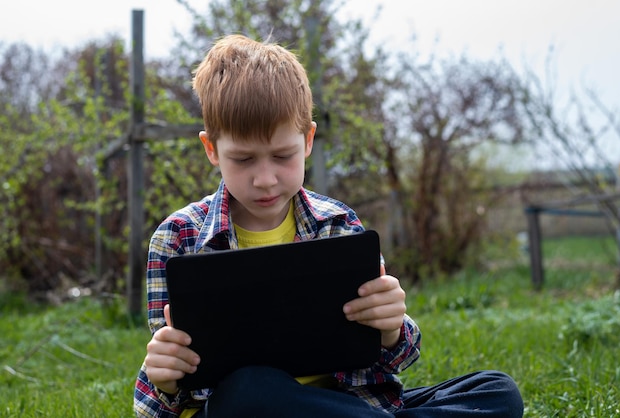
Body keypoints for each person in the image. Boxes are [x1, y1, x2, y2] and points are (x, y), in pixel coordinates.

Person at [133, 34, 524, 418]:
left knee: (496, 391)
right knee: (246, 389)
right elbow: (162, 397)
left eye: (282, 156)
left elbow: (396, 356)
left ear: (308, 141)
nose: (265, 178)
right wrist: (164, 378)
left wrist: (389, 327)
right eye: (244, 160)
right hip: (245, 407)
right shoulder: (177, 238)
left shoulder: (338, 223)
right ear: (212, 150)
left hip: (344, 405)